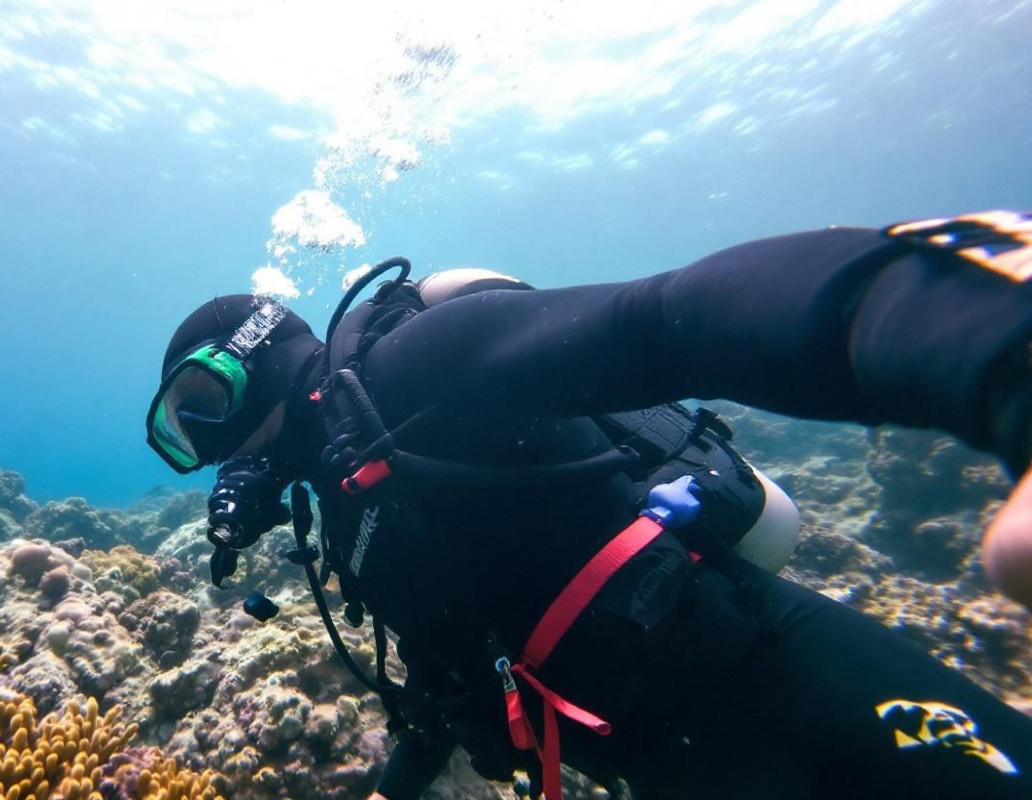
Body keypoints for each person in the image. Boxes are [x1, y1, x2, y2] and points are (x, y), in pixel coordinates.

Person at [144, 211, 1032, 799]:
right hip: (660, 764)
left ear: (253, 360)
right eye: (184, 435)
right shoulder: (352, 498)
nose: (209, 452)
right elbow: (448, 668)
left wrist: (996, 354)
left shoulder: (408, 368)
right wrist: (397, 787)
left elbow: (670, 316)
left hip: (774, 673)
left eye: (201, 408)